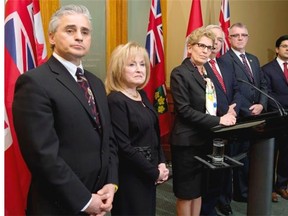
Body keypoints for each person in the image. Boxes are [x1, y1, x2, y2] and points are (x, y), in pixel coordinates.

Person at [12, 5, 118, 215]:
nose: (79, 37)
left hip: (99, 195)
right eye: (70, 30)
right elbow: (42, 156)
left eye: (85, 32)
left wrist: (111, 183)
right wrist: (85, 201)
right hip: (58, 204)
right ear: (51, 37)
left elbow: (109, 140)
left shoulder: (96, 83)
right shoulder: (34, 82)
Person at [170, 27, 236, 216]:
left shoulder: (205, 72)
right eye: (201, 46)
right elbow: (184, 110)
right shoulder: (180, 73)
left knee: (198, 190)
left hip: (204, 139)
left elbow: (209, 103)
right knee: (186, 192)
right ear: (190, 47)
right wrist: (219, 119)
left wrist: (226, 111)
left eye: (209, 47)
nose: (206, 50)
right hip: (187, 142)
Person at [105, 42, 169, 215]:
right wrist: (154, 172)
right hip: (130, 176)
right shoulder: (116, 101)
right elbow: (123, 147)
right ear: (118, 69)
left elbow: (154, 134)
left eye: (142, 64)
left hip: (148, 172)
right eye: (132, 64)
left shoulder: (141, 95)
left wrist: (162, 162)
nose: (139, 69)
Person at [220, 22, 268, 202]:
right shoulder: (225, 60)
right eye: (236, 35)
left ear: (248, 37)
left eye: (244, 35)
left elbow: (263, 84)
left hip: (258, 114)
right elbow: (230, 91)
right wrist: (247, 110)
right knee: (235, 156)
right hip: (239, 116)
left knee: (249, 157)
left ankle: (244, 192)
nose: (240, 38)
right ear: (229, 38)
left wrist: (262, 105)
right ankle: (231, 195)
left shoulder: (254, 59)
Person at [200, 25, 242, 216]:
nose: (216, 43)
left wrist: (234, 107)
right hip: (211, 125)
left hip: (230, 122)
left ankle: (223, 200)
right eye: (212, 38)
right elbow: (201, 97)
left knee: (225, 167)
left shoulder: (226, 64)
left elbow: (237, 89)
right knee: (210, 170)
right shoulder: (198, 65)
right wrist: (224, 113)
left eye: (219, 40)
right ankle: (207, 206)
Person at [262, 35, 288, 202]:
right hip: (275, 119)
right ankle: (268, 188)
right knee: (271, 154)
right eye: (284, 46)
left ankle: (282, 184)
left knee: (287, 153)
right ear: (277, 49)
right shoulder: (266, 69)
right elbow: (268, 95)